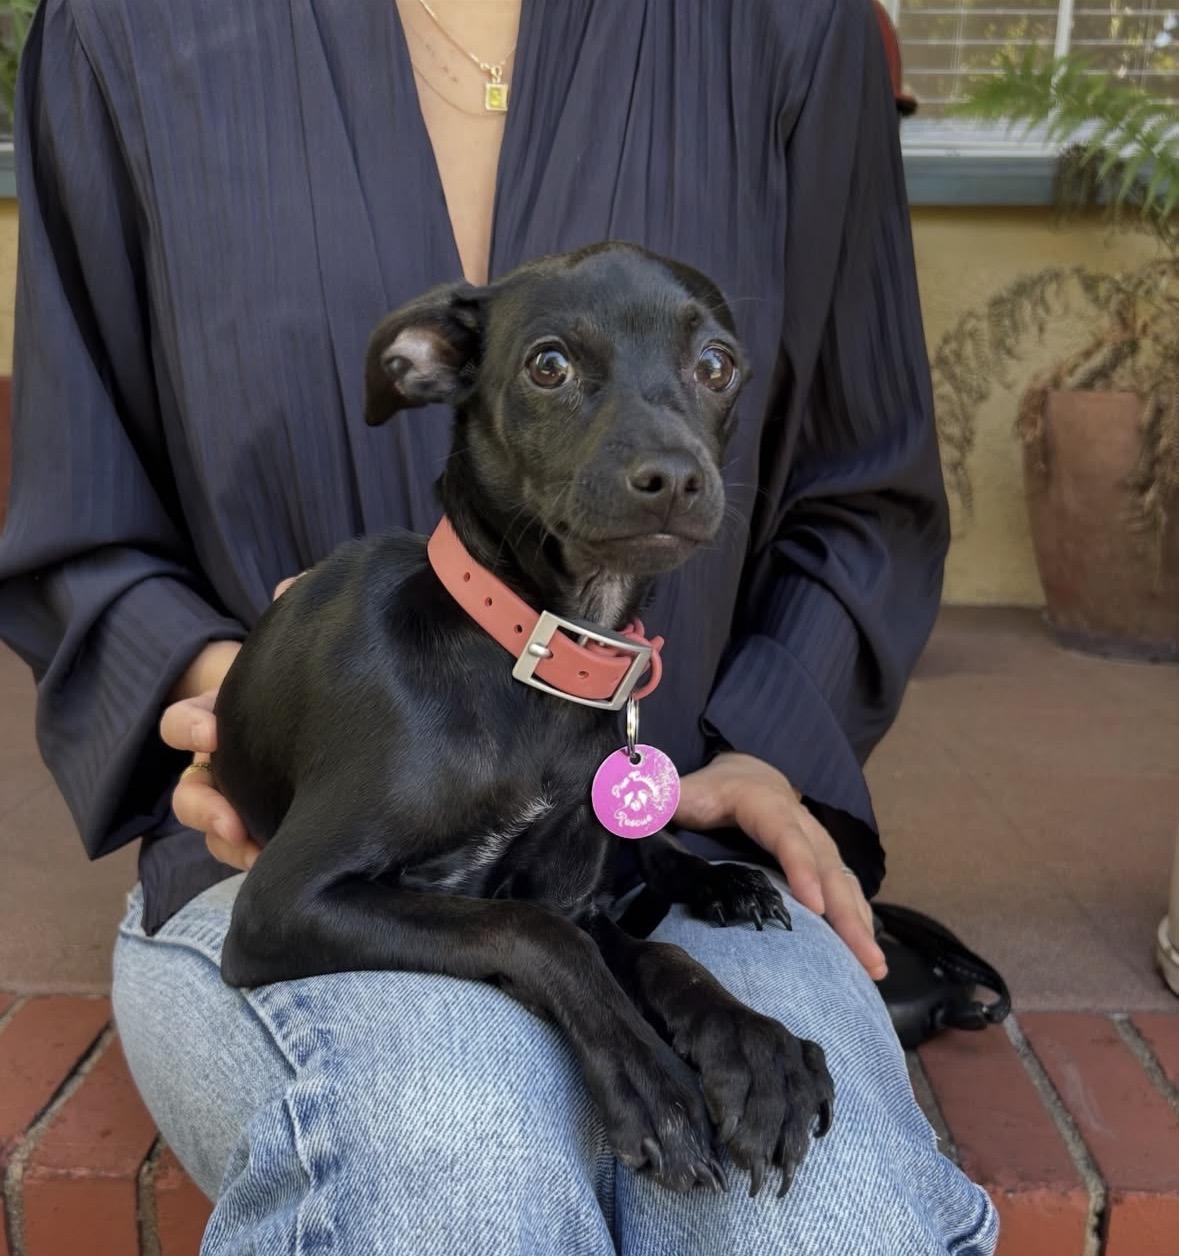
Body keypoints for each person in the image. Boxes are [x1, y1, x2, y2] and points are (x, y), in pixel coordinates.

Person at [0, 0, 998, 1252]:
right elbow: (78, 525)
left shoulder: (791, 26)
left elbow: (867, 488)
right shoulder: (124, 32)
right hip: (297, 847)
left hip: (653, 831)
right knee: (456, 1151)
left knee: (825, 1209)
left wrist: (764, 739)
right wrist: (242, 695)